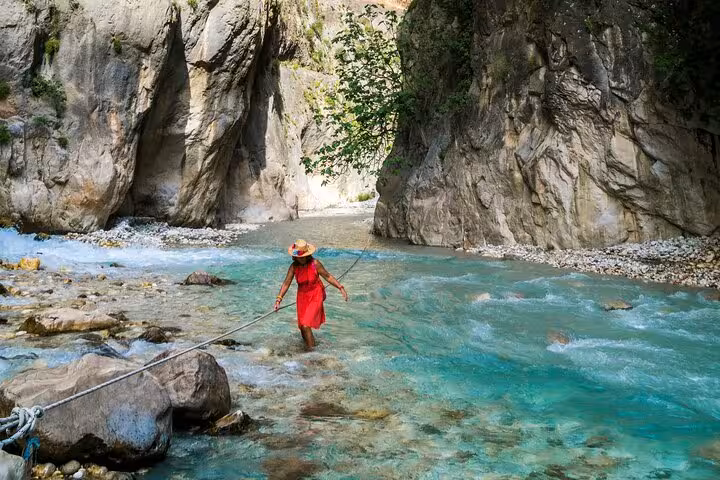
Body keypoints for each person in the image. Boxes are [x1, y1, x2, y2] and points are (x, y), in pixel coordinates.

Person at [275, 239, 348, 350]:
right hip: (302, 296)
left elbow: (328, 276)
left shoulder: (315, 264)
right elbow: (286, 283)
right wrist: (278, 300)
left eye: (303, 256)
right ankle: (308, 346)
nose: (301, 258)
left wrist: (340, 288)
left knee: (306, 324)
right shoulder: (294, 267)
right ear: (295, 257)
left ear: (307, 255)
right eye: (299, 257)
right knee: (302, 327)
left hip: (315, 294)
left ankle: (312, 352)